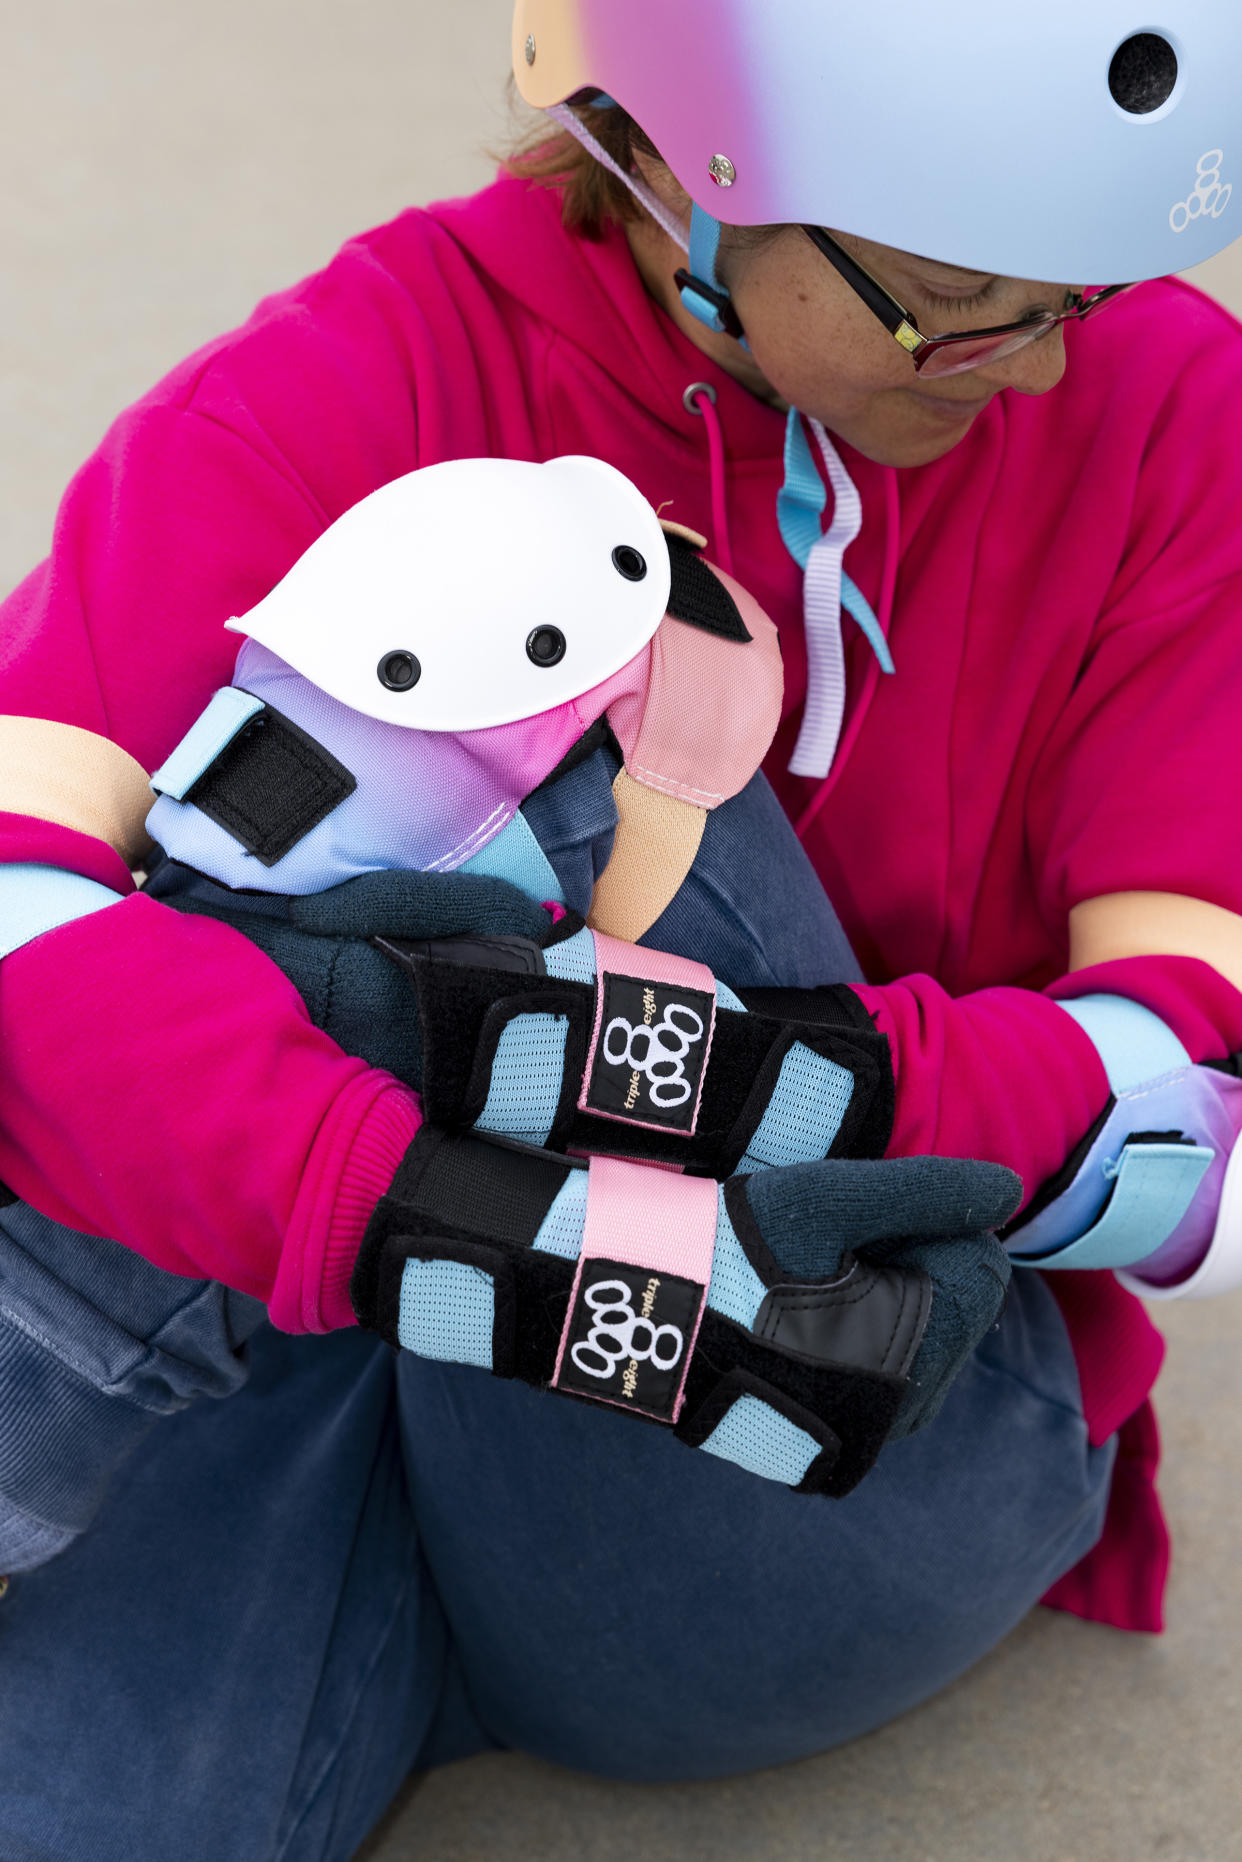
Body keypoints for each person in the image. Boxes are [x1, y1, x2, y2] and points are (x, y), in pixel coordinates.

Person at [2, 4, 1242, 1855]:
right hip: (338, 1371)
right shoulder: (368, 363)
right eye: (956, 294)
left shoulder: (1173, 409)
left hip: (831, 1414)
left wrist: (757, 1099)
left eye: (1074, 288)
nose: (1040, 369)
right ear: (673, 165)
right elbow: (24, 910)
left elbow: (1183, 1115)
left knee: (510, 613)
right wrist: (446, 1224)